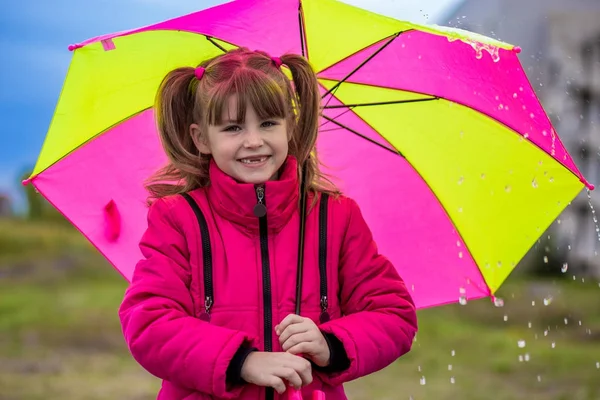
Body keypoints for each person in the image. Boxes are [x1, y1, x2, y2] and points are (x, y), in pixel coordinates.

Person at [119, 47, 418, 400]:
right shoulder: (178, 218)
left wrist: (330, 344)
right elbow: (149, 322)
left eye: (268, 123)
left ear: (290, 126)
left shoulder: (335, 217)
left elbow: (393, 314)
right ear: (201, 139)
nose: (253, 141)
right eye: (232, 127)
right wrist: (241, 360)